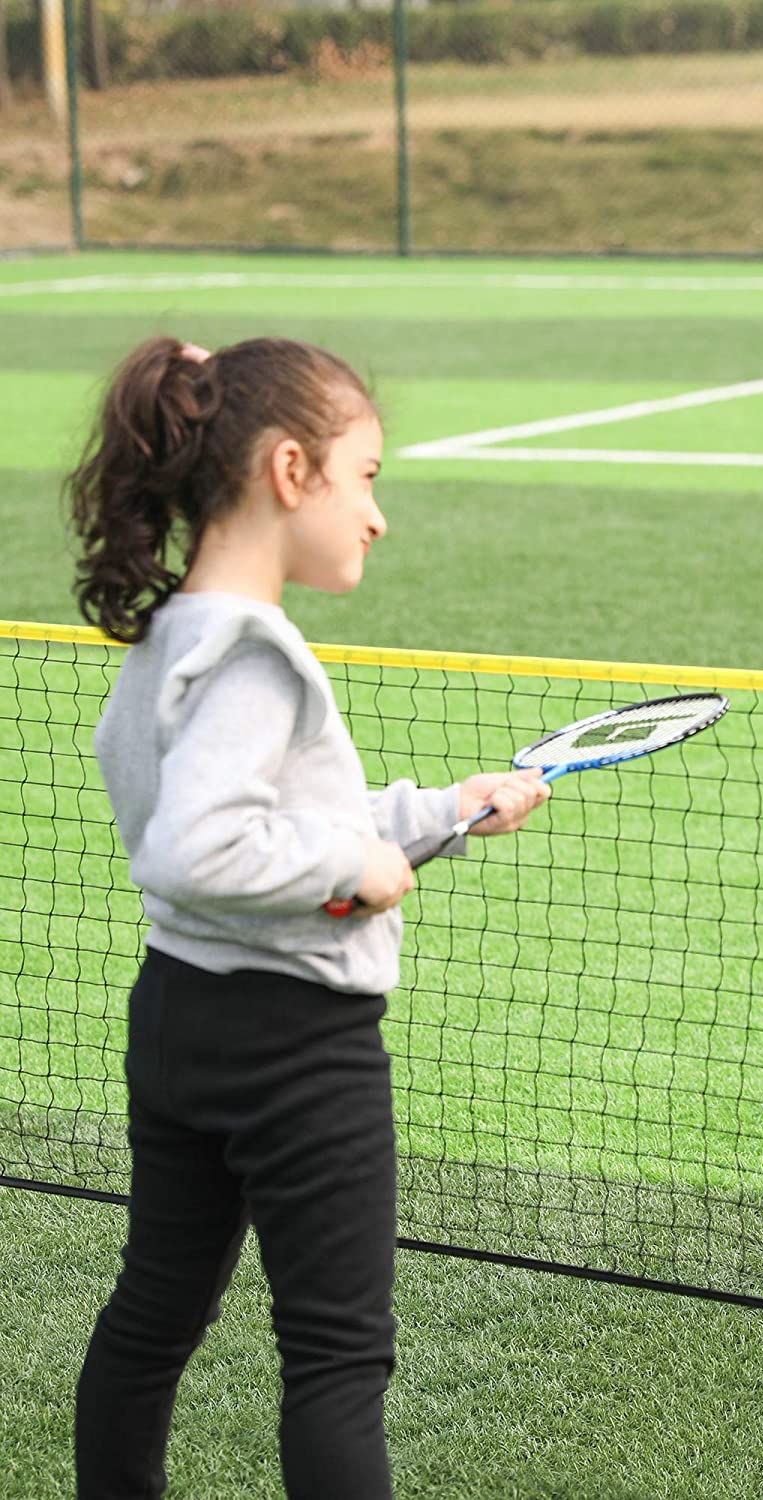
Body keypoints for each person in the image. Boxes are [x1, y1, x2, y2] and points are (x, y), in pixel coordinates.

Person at [67, 335, 551, 1498]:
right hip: (295, 1047)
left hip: (180, 1018)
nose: (376, 514)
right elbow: (203, 847)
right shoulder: (257, 653)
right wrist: (359, 865)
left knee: (151, 1316)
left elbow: (271, 814)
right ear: (291, 472)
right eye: (366, 475)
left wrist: (439, 809)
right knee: (337, 1359)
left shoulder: (170, 638)